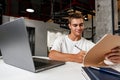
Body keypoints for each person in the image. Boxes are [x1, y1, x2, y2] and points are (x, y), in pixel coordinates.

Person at [49, 13, 120, 64]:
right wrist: (75, 57)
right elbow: (52, 55)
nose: (78, 28)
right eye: (75, 25)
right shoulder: (61, 40)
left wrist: (113, 58)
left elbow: (100, 57)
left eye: (81, 25)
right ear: (69, 26)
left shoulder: (89, 44)